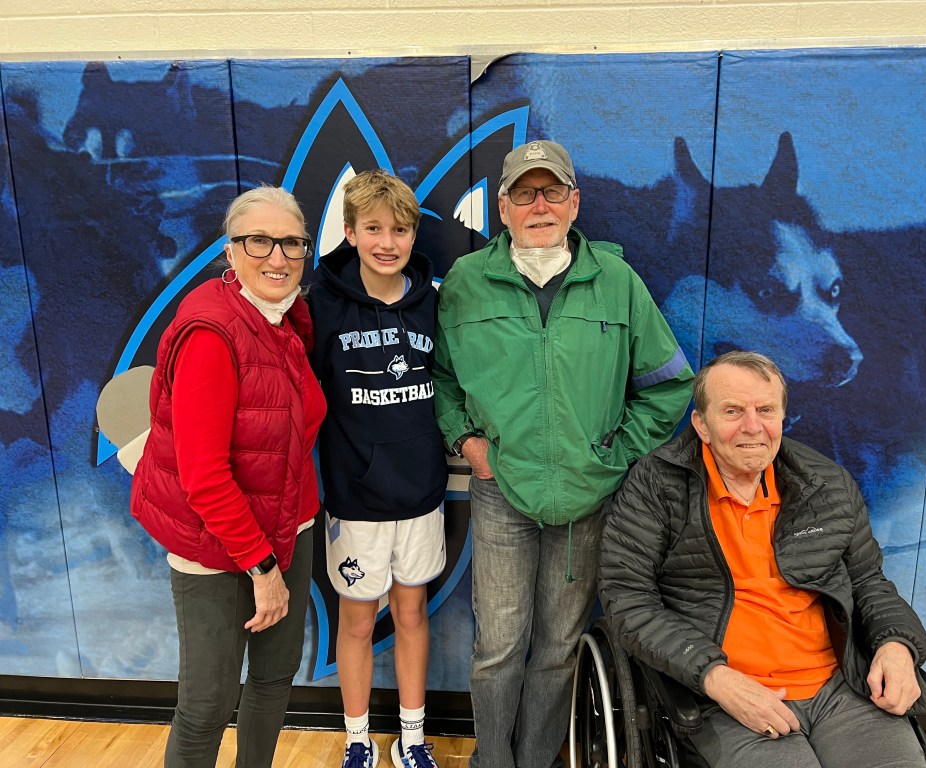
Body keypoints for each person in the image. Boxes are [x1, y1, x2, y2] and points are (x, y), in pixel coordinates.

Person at [433, 139, 694, 768]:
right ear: (503, 208)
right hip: (501, 491)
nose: (539, 206)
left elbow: (669, 385)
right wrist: (466, 442)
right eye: (524, 193)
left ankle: (534, 759)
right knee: (498, 646)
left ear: (574, 203)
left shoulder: (617, 282)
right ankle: (492, 762)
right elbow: (440, 378)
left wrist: (615, 453)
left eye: (552, 191)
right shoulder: (467, 282)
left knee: (558, 646)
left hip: (588, 496)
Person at [599, 350, 926, 768]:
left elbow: (868, 580)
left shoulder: (826, 484)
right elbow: (628, 597)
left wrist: (896, 644)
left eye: (765, 410)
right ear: (701, 424)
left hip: (841, 685)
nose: (752, 426)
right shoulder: (656, 486)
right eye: (732, 411)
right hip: (727, 693)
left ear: (782, 417)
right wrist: (715, 678)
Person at [130, 186, 326, 767]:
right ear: (231, 251)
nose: (278, 257)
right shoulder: (212, 334)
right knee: (207, 704)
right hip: (218, 548)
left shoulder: (286, 318)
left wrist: (281, 549)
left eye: (291, 243)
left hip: (289, 527)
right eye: (259, 241)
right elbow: (205, 477)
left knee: (274, 678)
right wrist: (263, 570)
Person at [308, 170, 448, 768]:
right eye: (373, 229)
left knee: (412, 613)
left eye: (399, 230)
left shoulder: (434, 303)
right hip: (356, 499)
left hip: (420, 495)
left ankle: (412, 739)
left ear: (414, 235)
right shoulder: (321, 306)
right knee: (358, 622)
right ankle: (357, 738)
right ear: (350, 232)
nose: (387, 242)